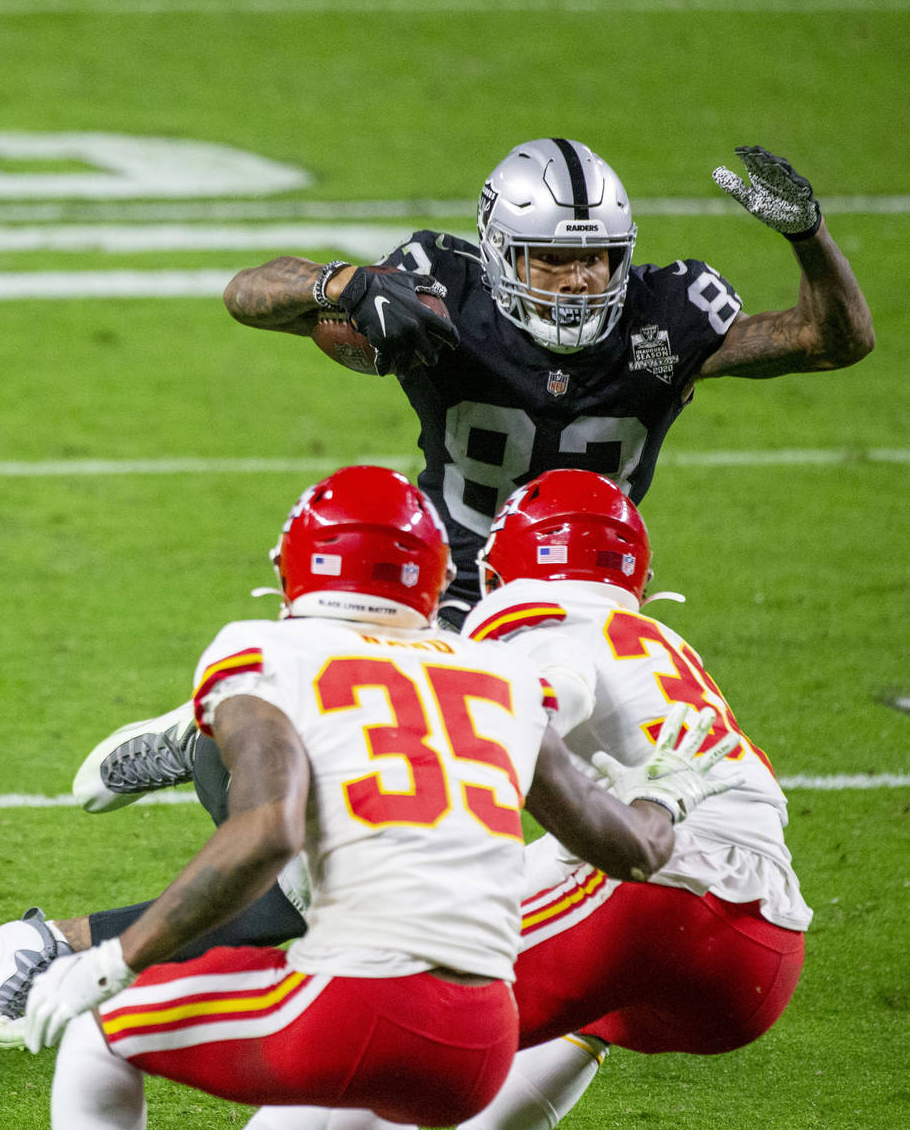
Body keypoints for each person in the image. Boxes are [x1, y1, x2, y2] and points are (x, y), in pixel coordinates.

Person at [43, 139, 872, 826]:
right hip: (436, 589)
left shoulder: (666, 314)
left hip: (585, 603)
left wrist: (809, 237)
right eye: (551, 259)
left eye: (596, 260)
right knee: (384, 789)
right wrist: (340, 285)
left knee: (629, 799)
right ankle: (204, 737)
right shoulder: (442, 291)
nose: (579, 280)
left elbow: (833, 339)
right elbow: (247, 295)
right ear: (501, 250)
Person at [7, 465, 734, 1130]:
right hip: (482, 1035)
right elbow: (628, 850)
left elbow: (266, 832)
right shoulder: (503, 675)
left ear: (297, 563)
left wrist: (114, 960)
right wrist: (666, 798)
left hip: (358, 997)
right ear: (436, 577)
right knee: (356, 1107)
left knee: (98, 1033)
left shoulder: (266, 651)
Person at [218, 467, 812, 1130]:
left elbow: (546, 691)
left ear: (508, 567)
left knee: (381, 1010)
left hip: (659, 899)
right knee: (568, 996)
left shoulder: (533, 611)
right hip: (761, 950)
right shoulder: (661, 644)